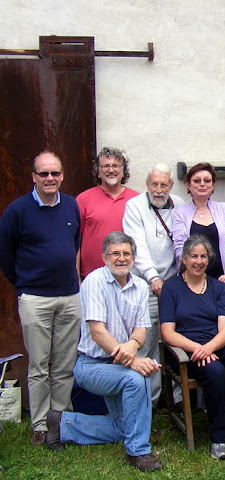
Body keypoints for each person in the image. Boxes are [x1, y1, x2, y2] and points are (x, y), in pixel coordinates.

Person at [45, 232, 161, 472]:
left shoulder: (140, 286)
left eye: (126, 253)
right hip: (92, 365)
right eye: (115, 253)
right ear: (104, 257)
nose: (121, 258)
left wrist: (133, 346)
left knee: (122, 428)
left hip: (119, 362)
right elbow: (97, 332)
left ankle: (63, 424)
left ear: (133, 257)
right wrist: (133, 362)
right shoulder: (94, 282)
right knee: (135, 379)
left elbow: (141, 331)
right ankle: (139, 452)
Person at [0, 152, 81, 446]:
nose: (50, 179)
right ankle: (40, 425)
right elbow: (6, 255)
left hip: (70, 297)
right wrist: (24, 285)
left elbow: (74, 247)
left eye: (55, 173)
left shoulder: (71, 205)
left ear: (62, 175)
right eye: (44, 174)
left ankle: (61, 421)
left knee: (64, 364)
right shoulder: (17, 210)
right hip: (35, 298)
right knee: (38, 365)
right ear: (33, 176)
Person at [160, 235, 225, 459]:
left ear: (209, 260)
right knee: (216, 373)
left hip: (218, 342)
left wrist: (208, 348)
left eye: (203, 256)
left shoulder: (217, 287)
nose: (199, 261)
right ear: (184, 259)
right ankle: (219, 438)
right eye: (194, 256)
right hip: (187, 348)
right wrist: (198, 348)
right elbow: (168, 332)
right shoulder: (171, 289)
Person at [122, 163, 185, 407]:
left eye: (164, 185)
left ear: (170, 185)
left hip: (174, 285)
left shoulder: (178, 204)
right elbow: (137, 245)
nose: (159, 190)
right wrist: (152, 277)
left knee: (175, 342)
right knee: (146, 344)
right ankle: (148, 400)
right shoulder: (134, 207)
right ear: (147, 184)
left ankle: (178, 399)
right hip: (146, 286)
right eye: (154, 184)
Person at [172, 163, 225, 282]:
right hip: (191, 280)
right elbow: (180, 248)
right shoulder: (180, 213)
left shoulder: (224, 209)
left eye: (207, 180)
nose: (202, 184)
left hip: (222, 279)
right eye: (197, 181)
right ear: (188, 185)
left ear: (213, 185)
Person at [76, 147, 138, 278]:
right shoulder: (83, 199)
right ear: (98, 172)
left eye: (115, 166)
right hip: (91, 276)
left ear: (123, 171)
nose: (111, 170)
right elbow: (74, 242)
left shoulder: (136, 200)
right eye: (105, 166)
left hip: (127, 275)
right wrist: (76, 278)